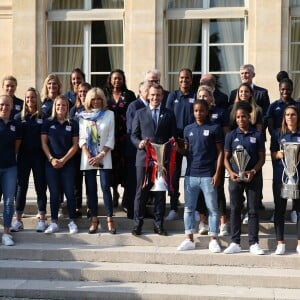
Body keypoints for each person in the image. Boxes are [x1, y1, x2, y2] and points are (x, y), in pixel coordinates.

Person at [177, 100, 223, 252]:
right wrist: (178, 148)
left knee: (213, 208)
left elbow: (220, 152)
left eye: (201, 110)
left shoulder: (215, 128)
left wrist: (217, 173)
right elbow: (186, 151)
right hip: (191, 175)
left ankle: (214, 239)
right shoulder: (188, 129)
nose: (198, 113)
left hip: (208, 175)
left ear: (207, 111)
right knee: (189, 209)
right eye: (196, 111)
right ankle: (189, 238)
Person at [131, 84, 177, 236]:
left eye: (158, 95)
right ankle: (137, 224)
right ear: (148, 96)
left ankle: (159, 225)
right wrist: (139, 143)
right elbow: (134, 135)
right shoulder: (139, 113)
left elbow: (173, 136)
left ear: (162, 96)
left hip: (161, 161)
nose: (155, 98)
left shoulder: (169, 114)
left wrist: (171, 144)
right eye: (153, 95)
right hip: (143, 159)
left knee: (160, 193)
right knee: (141, 192)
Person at [223, 101, 265, 255]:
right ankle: (235, 242)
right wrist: (231, 172)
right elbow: (226, 158)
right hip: (235, 177)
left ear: (249, 117)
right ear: (236, 118)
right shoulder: (230, 135)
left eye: (244, 117)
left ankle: (254, 243)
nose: (241, 119)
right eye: (239, 117)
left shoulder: (258, 135)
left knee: (253, 210)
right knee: (235, 209)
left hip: (253, 178)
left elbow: (262, 158)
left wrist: (253, 171)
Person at [78, 87, 116, 234]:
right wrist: (89, 156)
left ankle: (109, 218)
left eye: (99, 98)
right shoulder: (83, 116)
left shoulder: (109, 114)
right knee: (91, 189)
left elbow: (111, 137)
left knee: (106, 186)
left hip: (104, 155)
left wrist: (100, 155)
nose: (96, 102)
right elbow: (81, 139)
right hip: (88, 158)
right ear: (89, 100)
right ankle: (94, 219)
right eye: (93, 99)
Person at [41, 95, 79, 234]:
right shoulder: (47, 123)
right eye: (58, 105)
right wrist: (51, 159)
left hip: (67, 164)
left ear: (67, 107)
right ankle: (54, 222)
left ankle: (72, 222)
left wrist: (64, 160)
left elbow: (75, 145)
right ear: (54, 107)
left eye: (63, 105)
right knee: (54, 193)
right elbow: (44, 143)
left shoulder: (72, 123)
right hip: (51, 164)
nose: (61, 108)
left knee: (69, 192)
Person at [11, 88, 47, 232]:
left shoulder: (44, 117)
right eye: (27, 98)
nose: (30, 100)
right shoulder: (19, 117)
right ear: (25, 100)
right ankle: (18, 220)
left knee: (40, 187)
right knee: (21, 188)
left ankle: (42, 219)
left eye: (33, 98)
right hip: (23, 157)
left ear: (37, 99)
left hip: (39, 157)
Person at [197, 85, 229, 236]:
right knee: (201, 192)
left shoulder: (221, 113)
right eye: (200, 96)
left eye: (205, 96)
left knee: (218, 190)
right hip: (201, 159)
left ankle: (223, 224)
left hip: (216, 157)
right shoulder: (196, 114)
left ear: (212, 98)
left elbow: (226, 135)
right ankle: (203, 222)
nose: (203, 98)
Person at [267, 78, 300, 223]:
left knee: (296, 182)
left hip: (296, 155)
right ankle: (278, 210)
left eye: (288, 89)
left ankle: (295, 210)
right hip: (282, 144)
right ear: (279, 89)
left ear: (292, 89)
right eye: (283, 89)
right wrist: (279, 141)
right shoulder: (274, 106)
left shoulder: (297, 105)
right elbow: (270, 124)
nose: (285, 91)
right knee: (279, 183)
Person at [165, 68, 196, 220]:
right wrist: (172, 139)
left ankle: (194, 207)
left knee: (192, 175)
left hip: (191, 141)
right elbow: (168, 117)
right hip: (175, 141)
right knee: (174, 175)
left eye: (187, 78)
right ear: (178, 80)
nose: (184, 81)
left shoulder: (195, 96)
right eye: (182, 78)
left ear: (191, 80)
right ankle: (173, 207)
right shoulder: (173, 96)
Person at [104, 69, 136, 207]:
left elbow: (135, 113)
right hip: (110, 136)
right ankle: (114, 192)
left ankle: (124, 196)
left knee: (125, 167)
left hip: (125, 136)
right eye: (114, 78)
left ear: (123, 80)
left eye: (120, 78)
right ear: (110, 80)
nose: (117, 81)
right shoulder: (105, 94)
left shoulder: (129, 95)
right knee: (111, 167)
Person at [270, 105, 300, 255]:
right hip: (280, 176)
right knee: (279, 210)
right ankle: (280, 243)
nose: (290, 117)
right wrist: (279, 154)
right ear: (284, 117)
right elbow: (272, 153)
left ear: (297, 116)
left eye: (293, 114)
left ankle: (299, 243)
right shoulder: (277, 134)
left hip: (298, 177)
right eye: (287, 115)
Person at [124, 81, 150, 219]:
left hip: (148, 152)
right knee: (134, 184)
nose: (148, 92)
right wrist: (140, 143)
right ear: (140, 92)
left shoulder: (152, 106)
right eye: (146, 90)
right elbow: (131, 129)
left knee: (144, 184)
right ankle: (133, 212)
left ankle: (141, 210)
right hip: (135, 150)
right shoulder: (134, 106)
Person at [0, 95, 21, 245]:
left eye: (7, 105)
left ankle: (6, 233)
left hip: (10, 168)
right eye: (1, 105)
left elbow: (16, 147)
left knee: (8, 201)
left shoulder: (15, 124)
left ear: (12, 106)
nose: (4, 107)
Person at [69, 82, 92, 217]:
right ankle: (78, 206)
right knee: (76, 180)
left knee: (89, 180)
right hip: (77, 151)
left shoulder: (92, 108)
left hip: (89, 150)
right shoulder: (73, 110)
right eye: (81, 91)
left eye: (85, 91)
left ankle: (90, 206)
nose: (83, 94)